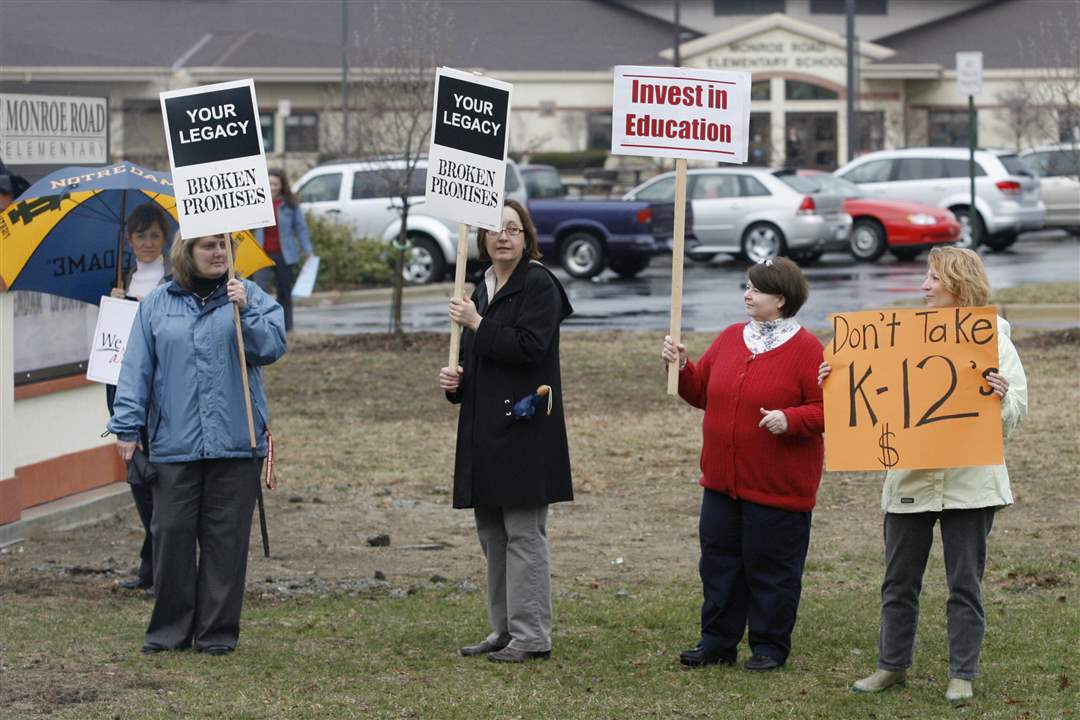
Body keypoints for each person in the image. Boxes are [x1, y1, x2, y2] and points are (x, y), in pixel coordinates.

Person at [821, 247, 1027, 705]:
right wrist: (835, 378)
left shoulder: (992, 339)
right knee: (898, 581)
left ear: (957, 283)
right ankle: (891, 666)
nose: (924, 286)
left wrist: (1002, 395)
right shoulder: (901, 338)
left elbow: (1016, 415)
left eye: (933, 278)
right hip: (910, 480)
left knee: (964, 584)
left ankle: (962, 674)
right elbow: (872, 393)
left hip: (971, 484)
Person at [108, 233, 286, 655]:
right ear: (185, 252)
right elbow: (136, 368)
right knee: (170, 537)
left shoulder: (250, 295)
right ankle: (169, 632)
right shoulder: (157, 303)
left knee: (226, 544)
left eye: (223, 245)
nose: (218, 252)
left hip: (236, 441)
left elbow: (273, 348)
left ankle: (216, 634)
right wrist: (127, 426)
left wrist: (245, 312)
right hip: (174, 442)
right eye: (207, 246)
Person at [661, 257, 824, 672]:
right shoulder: (733, 337)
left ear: (781, 299)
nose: (747, 295)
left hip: (777, 486)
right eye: (746, 286)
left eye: (756, 289)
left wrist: (791, 419)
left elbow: (829, 410)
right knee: (719, 563)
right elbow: (702, 393)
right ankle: (717, 641)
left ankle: (770, 646)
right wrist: (681, 366)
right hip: (721, 482)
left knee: (771, 568)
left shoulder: (808, 350)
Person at [439, 199, 573, 663]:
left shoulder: (540, 285)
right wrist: (457, 384)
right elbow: (482, 358)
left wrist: (478, 323)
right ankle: (504, 630)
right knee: (492, 535)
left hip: (526, 428)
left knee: (523, 533)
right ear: (481, 239)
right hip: (485, 431)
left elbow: (530, 347)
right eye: (495, 230)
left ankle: (532, 634)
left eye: (513, 230)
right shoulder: (481, 287)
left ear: (526, 237)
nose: (503, 237)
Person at [105, 202, 173, 596]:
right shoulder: (120, 282)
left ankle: (165, 566)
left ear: (165, 239)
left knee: (161, 485)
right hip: (124, 395)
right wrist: (114, 305)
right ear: (128, 240)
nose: (147, 243)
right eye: (140, 236)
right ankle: (150, 565)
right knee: (138, 480)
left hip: (162, 400)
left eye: (154, 236)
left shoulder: (174, 281)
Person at [254, 169, 312, 332]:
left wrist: (308, 250)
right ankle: (263, 327)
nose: (272, 187)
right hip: (262, 254)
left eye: (275, 184)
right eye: (269, 184)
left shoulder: (289, 204)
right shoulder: (257, 201)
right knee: (261, 292)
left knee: (284, 293)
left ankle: (287, 328)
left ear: (282, 185)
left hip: (284, 255)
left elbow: (301, 228)